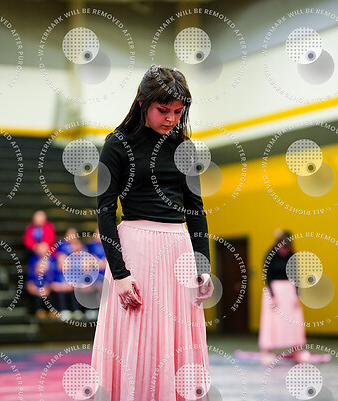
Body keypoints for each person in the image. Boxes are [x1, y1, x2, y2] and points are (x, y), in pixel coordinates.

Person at [91, 65, 215, 400]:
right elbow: (105, 211)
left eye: (178, 111)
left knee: (176, 342)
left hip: (178, 251)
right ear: (143, 103)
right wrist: (120, 274)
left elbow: (196, 211)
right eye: (163, 110)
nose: (171, 119)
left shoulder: (185, 148)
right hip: (136, 250)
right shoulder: (117, 144)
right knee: (136, 339)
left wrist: (202, 267)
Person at [236, 229, 330, 365]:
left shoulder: (292, 256)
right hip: (274, 291)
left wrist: (297, 295)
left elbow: (296, 276)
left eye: (287, 248)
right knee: (271, 322)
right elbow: (267, 275)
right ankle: (266, 351)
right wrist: (273, 295)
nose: (284, 251)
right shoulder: (270, 254)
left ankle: (296, 350)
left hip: (289, 291)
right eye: (282, 247)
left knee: (293, 321)